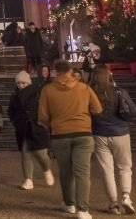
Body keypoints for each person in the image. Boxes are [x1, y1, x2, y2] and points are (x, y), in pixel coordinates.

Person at [39, 59, 102, 219]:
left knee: (66, 172)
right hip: (83, 133)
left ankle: (69, 204)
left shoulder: (47, 90)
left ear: (55, 71)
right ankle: (83, 210)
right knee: (82, 172)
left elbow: (43, 117)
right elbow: (97, 109)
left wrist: (52, 124)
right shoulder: (84, 88)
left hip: (60, 135)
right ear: (71, 70)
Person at [89, 65, 136, 215]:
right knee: (124, 167)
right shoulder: (118, 91)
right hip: (120, 132)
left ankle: (113, 203)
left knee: (107, 170)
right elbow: (133, 111)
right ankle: (126, 196)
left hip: (99, 134)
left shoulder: (91, 93)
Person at [7, 71, 53, 190]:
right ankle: (28, 179)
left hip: (37, 127)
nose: (21, 86)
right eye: (18, 83)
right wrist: (16, 121)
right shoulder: (15, 96)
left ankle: (46, 170)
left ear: (28, 83)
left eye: (23, 83)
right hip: (23, 127)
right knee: (25, 152)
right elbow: (11, 111)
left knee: (41, 154)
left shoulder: (38, 94)